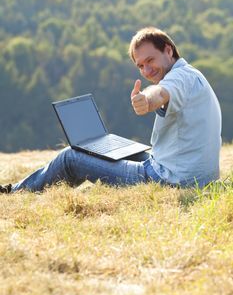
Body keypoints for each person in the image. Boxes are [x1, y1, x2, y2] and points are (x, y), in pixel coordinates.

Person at [0, 27, 222, 194]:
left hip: (174, 180)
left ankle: (15, 193)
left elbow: (161, 93)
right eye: (140, 66)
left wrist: (146, 99)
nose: (146, 70)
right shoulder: (192, 74)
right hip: (194, 174)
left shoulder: (179, 79)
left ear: (168, 50)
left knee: (71, 157)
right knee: (119, 149)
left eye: (150, 60)